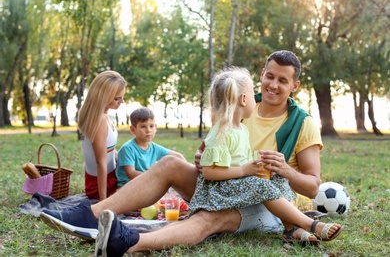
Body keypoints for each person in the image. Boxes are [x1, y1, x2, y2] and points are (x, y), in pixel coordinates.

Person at [40, 51, 343, 254]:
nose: (273, 85)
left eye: (283, 80)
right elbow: (215, 151)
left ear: (295, 85)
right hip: (224, 185)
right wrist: (201, 160)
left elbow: (313, 186)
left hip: (266, 199)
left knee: (211, 218)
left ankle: (127, 241)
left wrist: (286, 170)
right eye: (270, 76)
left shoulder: (302, 124)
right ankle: (90, 214)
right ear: (262, 74)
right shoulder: (238, 102)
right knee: (172, 162)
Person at [78, 70, 126, 201]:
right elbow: (101, 162)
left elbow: (108, 150)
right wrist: (103, 201)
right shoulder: (99, 120)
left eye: (122, 97)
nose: (121, 101)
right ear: (103, 97)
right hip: (102, 184)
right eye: (117, 98)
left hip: (112, 176)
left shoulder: (104, 115)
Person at [116, 107, 185, 188]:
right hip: (127, 187)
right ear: (133, 129)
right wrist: (154, 177)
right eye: (143, 127)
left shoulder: (154, 148)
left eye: (151, 126)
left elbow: (177, 156)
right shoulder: (128, 149)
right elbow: (131, 173)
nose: (148, 130)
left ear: (155, 128)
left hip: (146, 183)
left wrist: (189, 170)